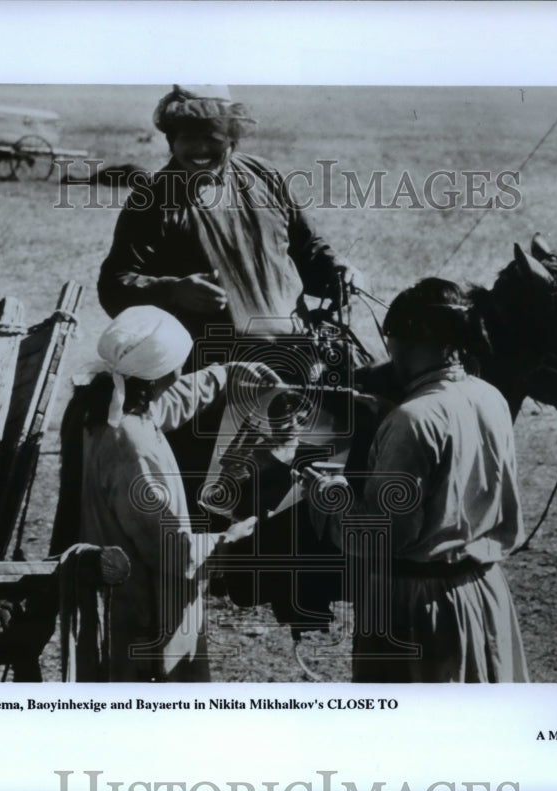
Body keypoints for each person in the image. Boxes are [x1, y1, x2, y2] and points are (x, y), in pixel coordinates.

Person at [303, 278, 529, 683]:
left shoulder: (414, 420)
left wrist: (327, 491)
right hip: (482, 593)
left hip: (419, 611)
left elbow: (382, 536)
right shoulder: (489, 395)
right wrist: (393, 416)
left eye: (393, 339)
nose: (390, 351)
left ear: (413, 340)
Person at [76, 305, 283, 681]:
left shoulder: (105, 408)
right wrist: (231, 541)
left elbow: (172, 401)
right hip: (143, 615)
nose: (182, 372)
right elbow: (170, 550)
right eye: (179, 365)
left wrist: (226, 375)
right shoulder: (132, 447)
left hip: (118, 602)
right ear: (160, 373)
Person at [98, 84, 364, 343]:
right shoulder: (152, 200)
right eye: (188, 138)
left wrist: (337, 269)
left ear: (233, 141)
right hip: (212, 371)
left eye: (212, 138)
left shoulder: (265, 176)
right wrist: (173, 291)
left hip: (297, 351)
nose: (200, 149)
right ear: (172, 141)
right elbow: (113, 286)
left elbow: (307, 249)